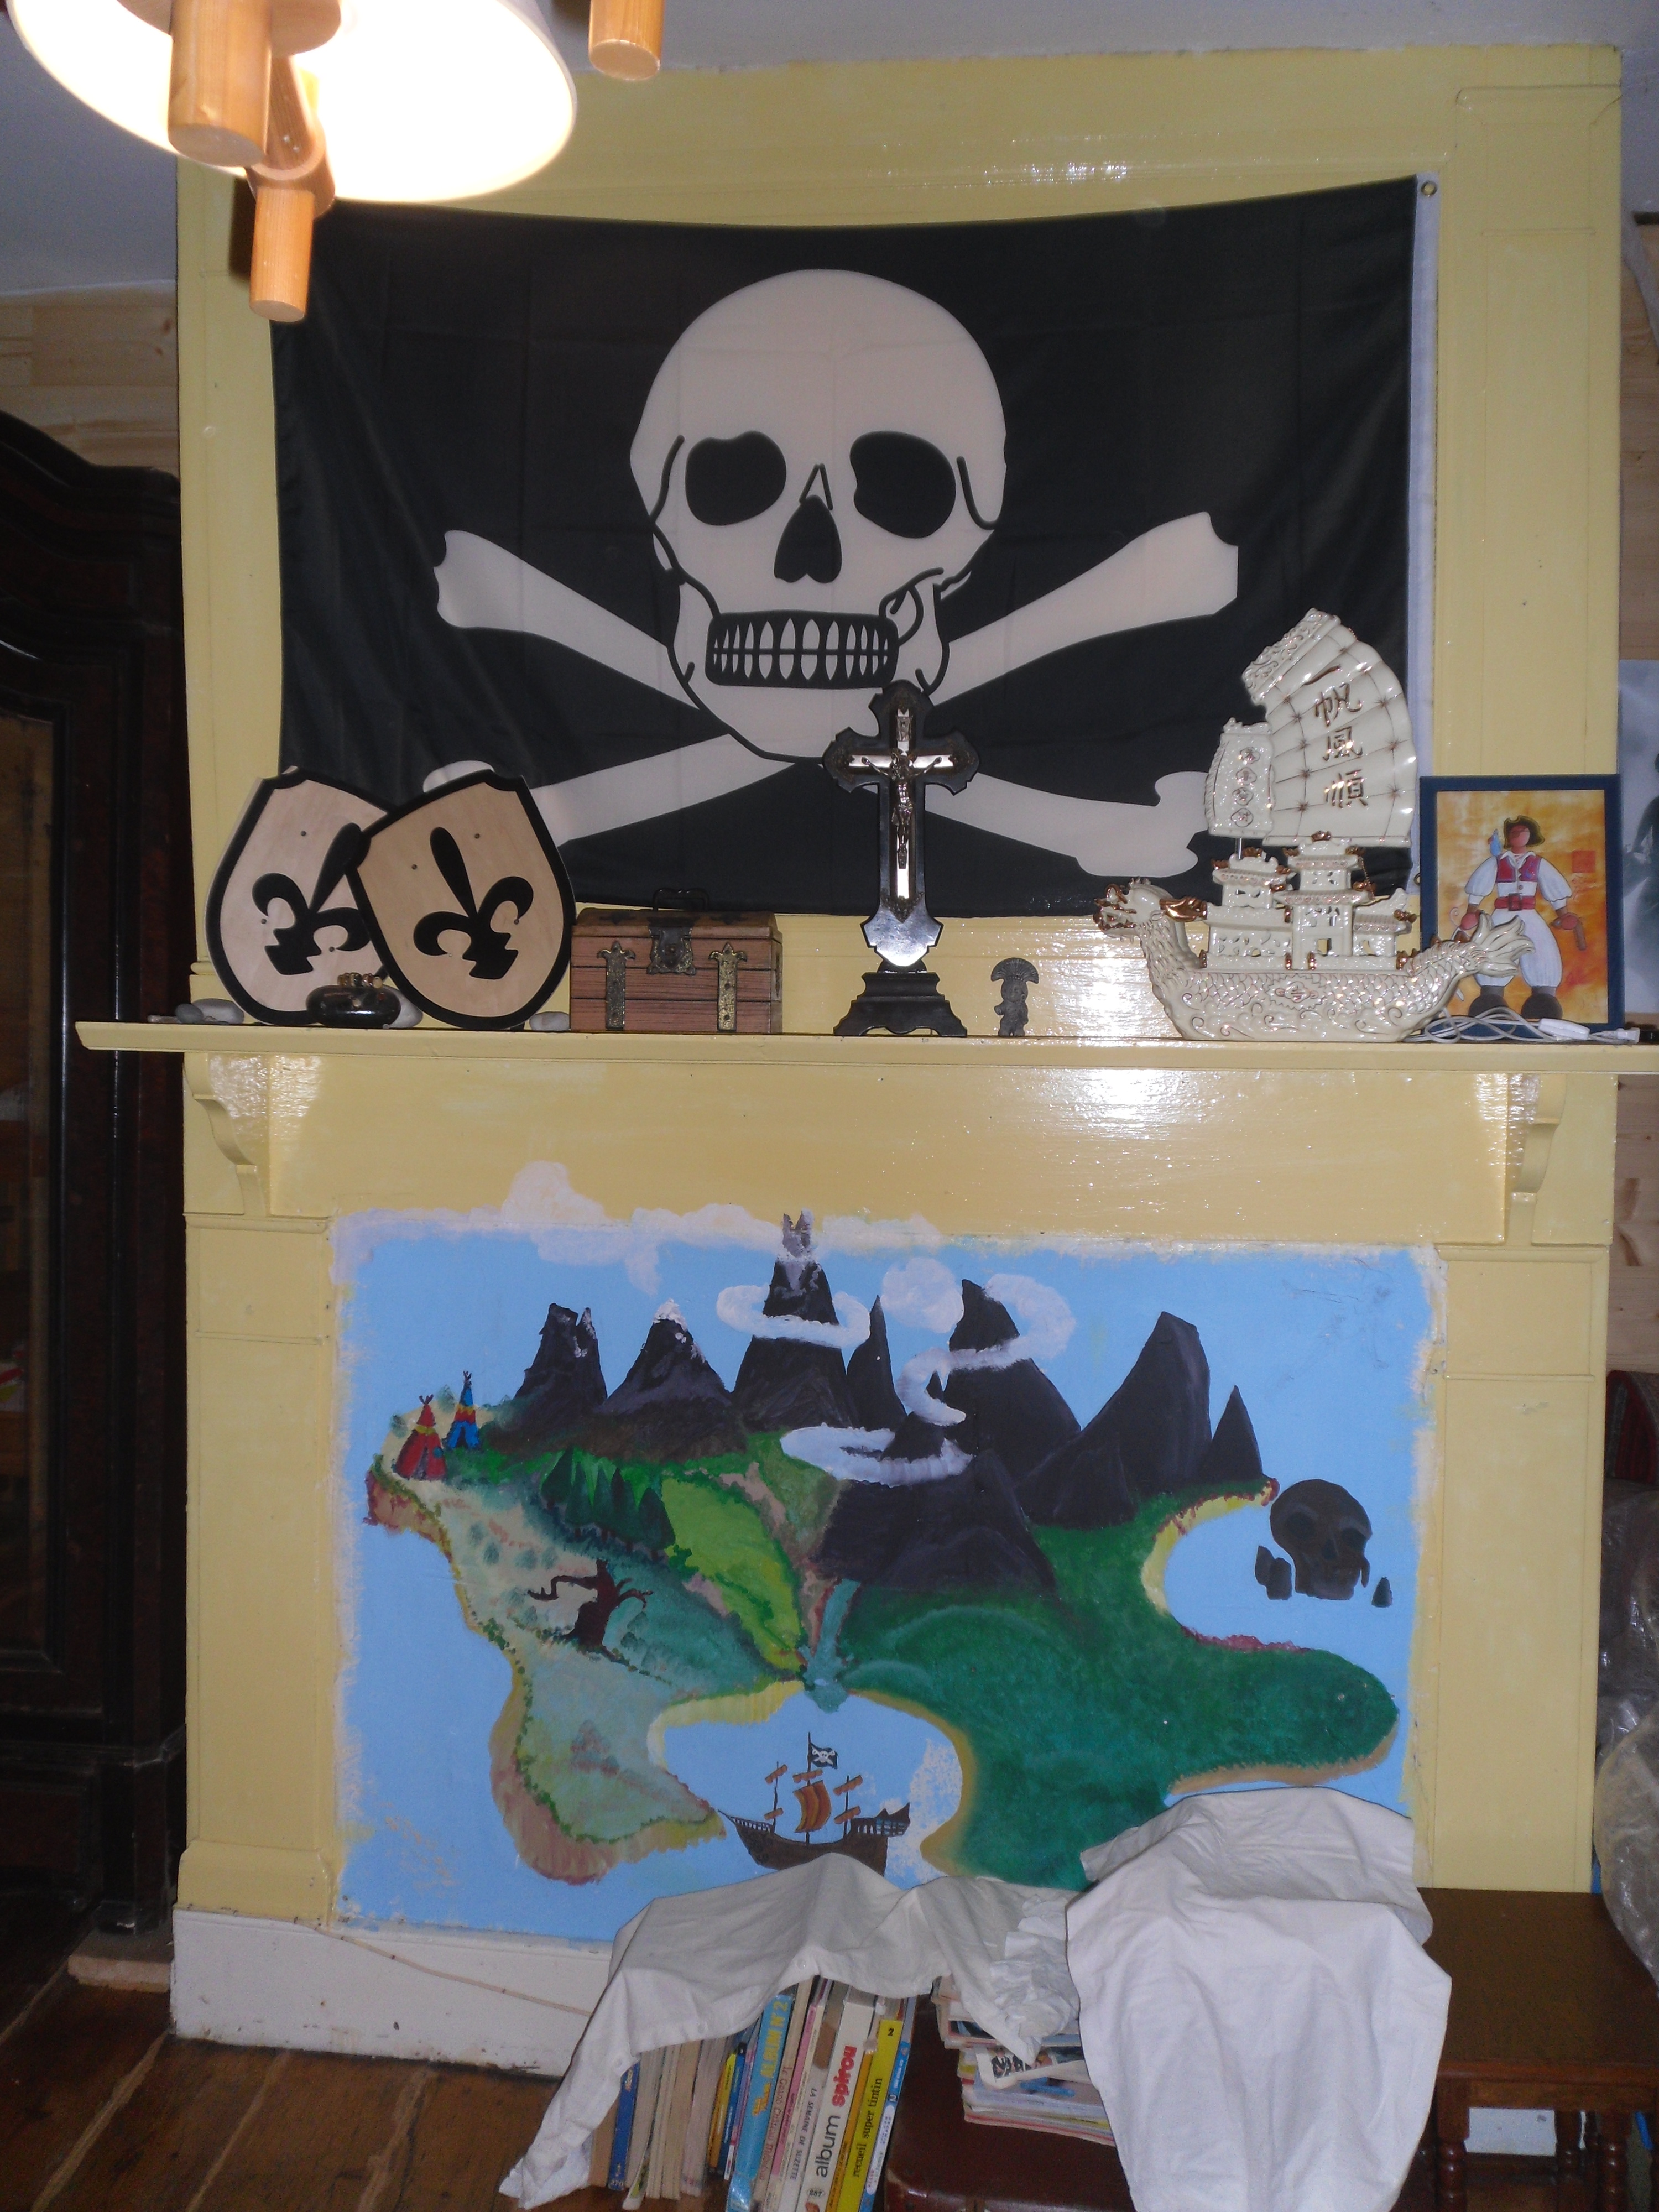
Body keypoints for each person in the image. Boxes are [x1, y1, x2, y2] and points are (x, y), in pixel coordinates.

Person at [1456, 815, 1587, 1021]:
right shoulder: (1498, 863)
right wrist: (1472, 911)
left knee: (1542, 952)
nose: (1519, 835)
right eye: (1515, 832)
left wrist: (1563, 914)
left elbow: (1554, 889)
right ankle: (1491, 1001)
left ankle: (1543, 1003)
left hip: (1530, 917)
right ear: (1509, 837)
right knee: (1493, 953)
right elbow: (1480, 887)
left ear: (1531, 836)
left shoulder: (1537, 864)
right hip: (1502, 918)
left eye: (1523, 831)